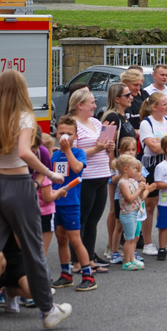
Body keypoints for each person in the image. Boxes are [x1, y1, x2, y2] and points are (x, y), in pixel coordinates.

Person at [0, 70, 71, 331]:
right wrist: (50, 173)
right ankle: (48, 311)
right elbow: (25, 152)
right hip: (18, 186)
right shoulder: (24, 116)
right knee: (32, 249)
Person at [67, 88, 114, 270]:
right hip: (85, 177)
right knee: (82, 220)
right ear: (80, 105)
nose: (95, 105)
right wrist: (97, 149)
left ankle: (90, 259)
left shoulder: (95, 121)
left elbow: (103, 146)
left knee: (93, 220)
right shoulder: (72, 124)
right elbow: (72, 153)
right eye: (91, 102)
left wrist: (108, 146)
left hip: (102, 175)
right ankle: (77, 261)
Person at [50, 115, 97, 292]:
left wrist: (67, 150)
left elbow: (77, 168)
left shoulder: (78, 152)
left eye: (69, 133)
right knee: (60, 238)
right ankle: (66, 274)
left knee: (75, 240)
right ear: (56, 134)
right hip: (56, 202)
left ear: (75, 136)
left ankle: (88, 275)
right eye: (61, 132)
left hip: (71, 203)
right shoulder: (55, 155)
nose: (65, 136)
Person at [138, 91, 167, 255]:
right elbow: (153, 148)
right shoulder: (146, 124)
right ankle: (148, 242)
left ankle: (165, 239)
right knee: (150, 204)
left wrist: (161, 144)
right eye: (164, 104)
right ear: (154, 107)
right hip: (151, 166)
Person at [100, 82, 137, 262]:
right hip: (116, 167)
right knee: (115, 208)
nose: (131, 97)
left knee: (122, 206)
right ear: (117, 99)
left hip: (126, 167)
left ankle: (120, 243)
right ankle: (110, 246)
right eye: (127, 95)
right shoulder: (113, 117)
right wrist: (112, 167)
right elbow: (105, 143)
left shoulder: (124, 116)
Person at [115, 154, 148, 271]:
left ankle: (132, 258)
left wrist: (146, 189)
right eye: (134, 168)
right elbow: (129, 198)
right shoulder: (123, 182)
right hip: (127, 213)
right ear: (125, 169)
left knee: (134, 238)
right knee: (129, 239)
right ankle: (126, 262)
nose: (136, 171)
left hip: (135, 212)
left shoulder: (132, 181)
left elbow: (140, 197)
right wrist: (139, 189)